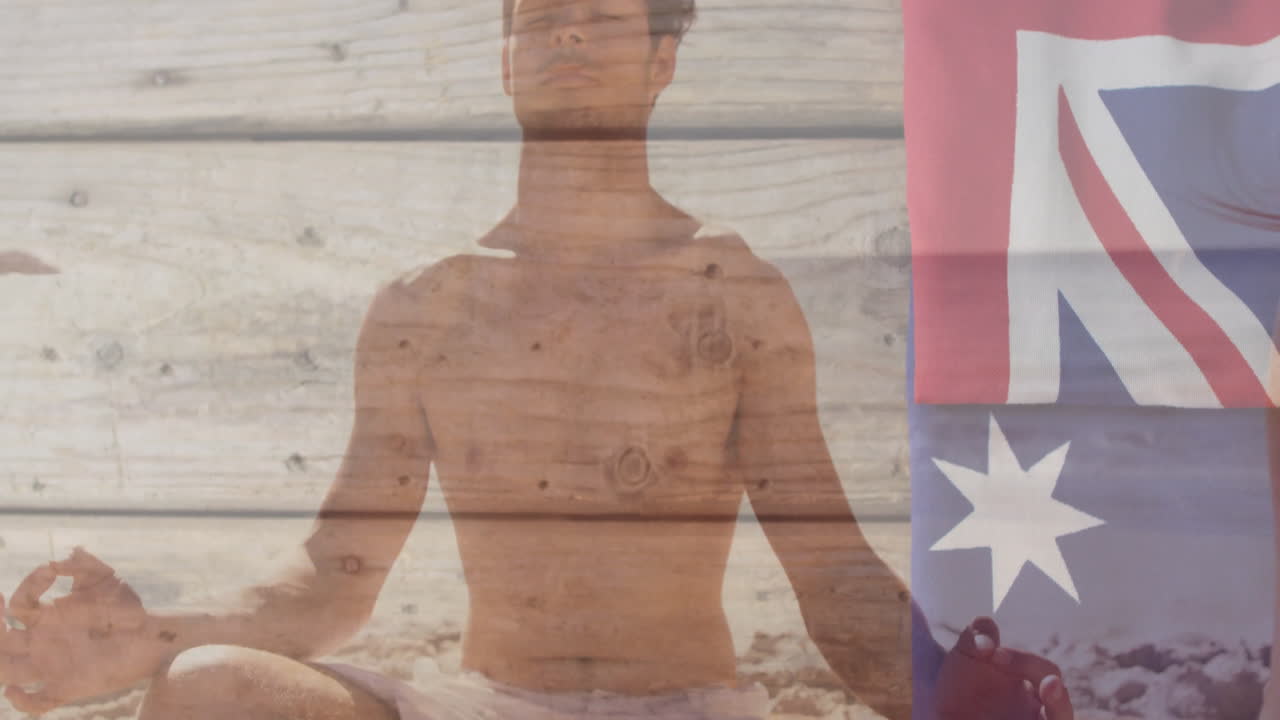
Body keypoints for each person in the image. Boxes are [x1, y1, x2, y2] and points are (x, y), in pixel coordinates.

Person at [0, 1, 1073, 718]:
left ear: (663, 58)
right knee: (207, 684)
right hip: (486, 703)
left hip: (684, 709)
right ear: (505, 56)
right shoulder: (425, 305)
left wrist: (945, 687)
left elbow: (830, 574)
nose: (565, 38)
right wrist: (129, 635)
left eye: (600, 18)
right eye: (538, 19)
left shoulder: (734, 295)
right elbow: (329, 582)